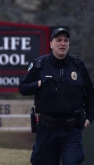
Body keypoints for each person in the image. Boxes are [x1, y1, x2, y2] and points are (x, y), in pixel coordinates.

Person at [19, 27, 94, 165]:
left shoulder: (78, 65)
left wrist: (90, 117)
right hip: (46, 129)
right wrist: (39, 84)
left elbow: (89, 92)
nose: (62, 43)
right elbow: (23, 88)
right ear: (51, 44)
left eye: (66, 40)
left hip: (71, 130)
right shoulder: (39, 64)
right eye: (58, 40)